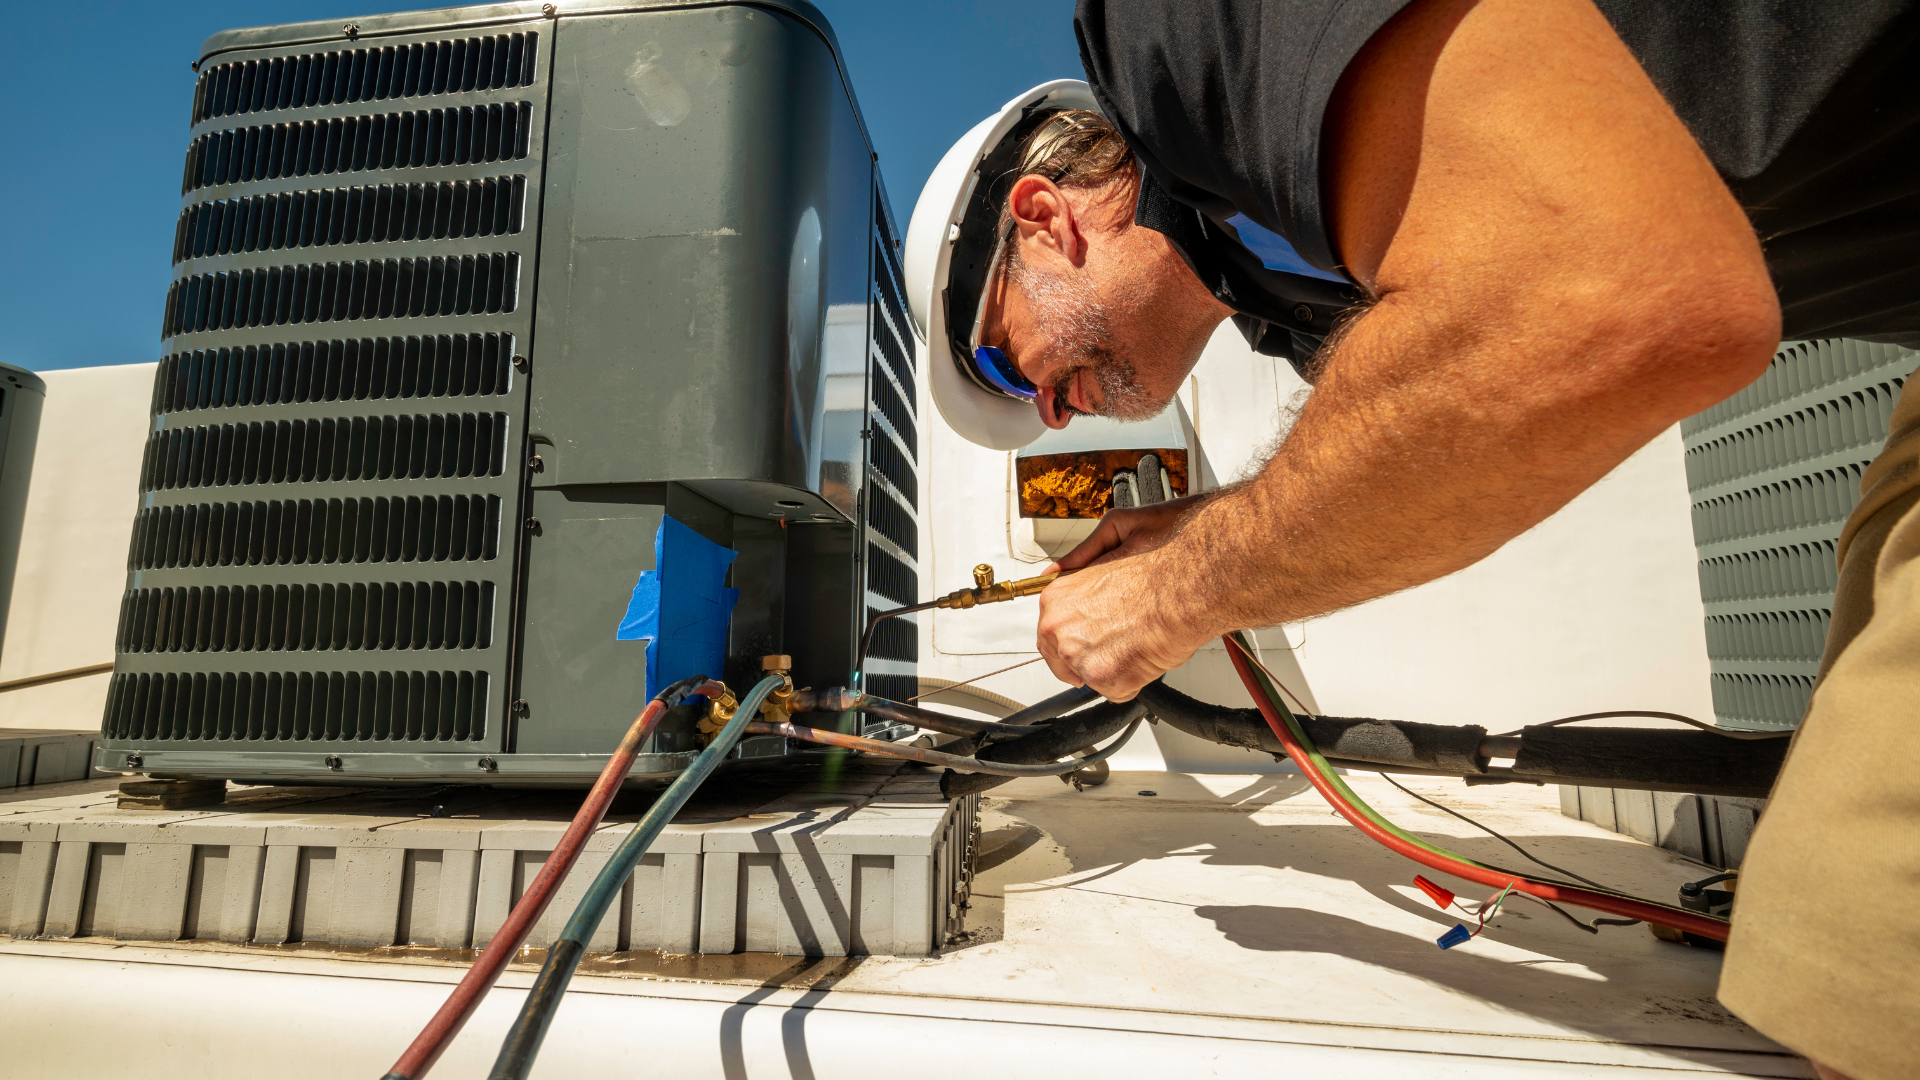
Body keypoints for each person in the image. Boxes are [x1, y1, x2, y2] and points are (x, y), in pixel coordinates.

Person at [911, 1, 1919, 1076]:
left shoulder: (1184, 32)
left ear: (1044, 217)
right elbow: (1505, 405)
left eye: (1015, 366)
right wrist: (1205, 535)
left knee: (1857, 957)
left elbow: (1617, 299)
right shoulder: (1309, 303)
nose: (1051, 417)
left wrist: (1172, 596)